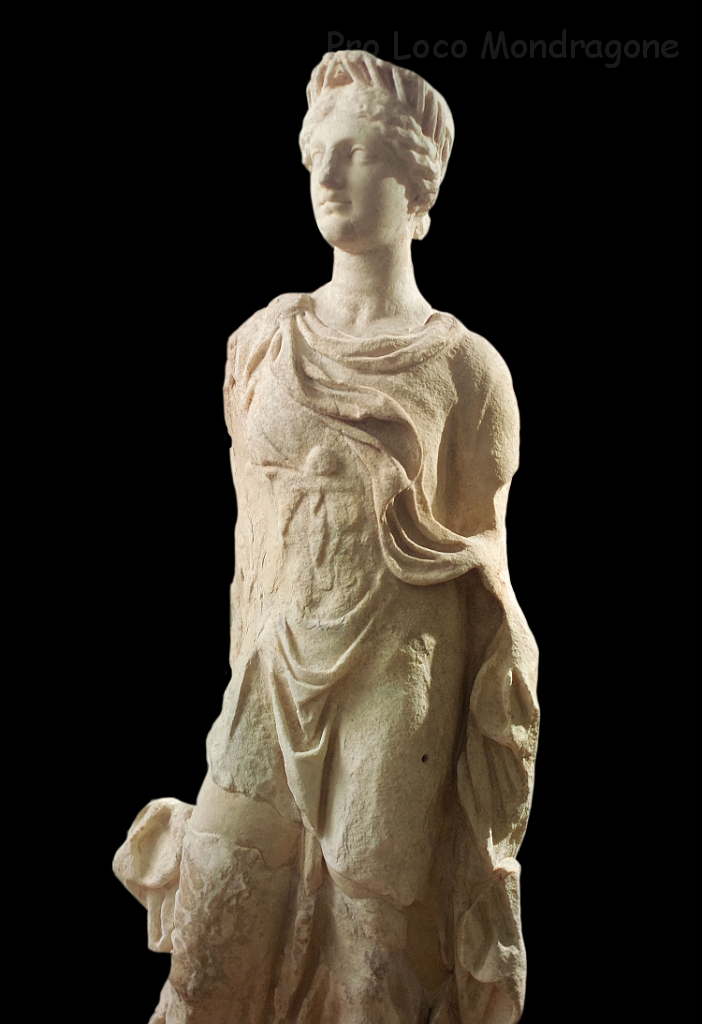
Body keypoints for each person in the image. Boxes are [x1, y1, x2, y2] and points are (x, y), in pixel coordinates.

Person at [114, 50, 539, 1024]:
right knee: (212, 940)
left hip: (399, 679)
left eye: (360, 155)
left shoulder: (468, 373)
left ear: (416, 184)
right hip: (274, 669)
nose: (332, 178)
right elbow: (251, 546)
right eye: (319, 157)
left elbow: (489, 570)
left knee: (372, 958)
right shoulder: (263, 342)